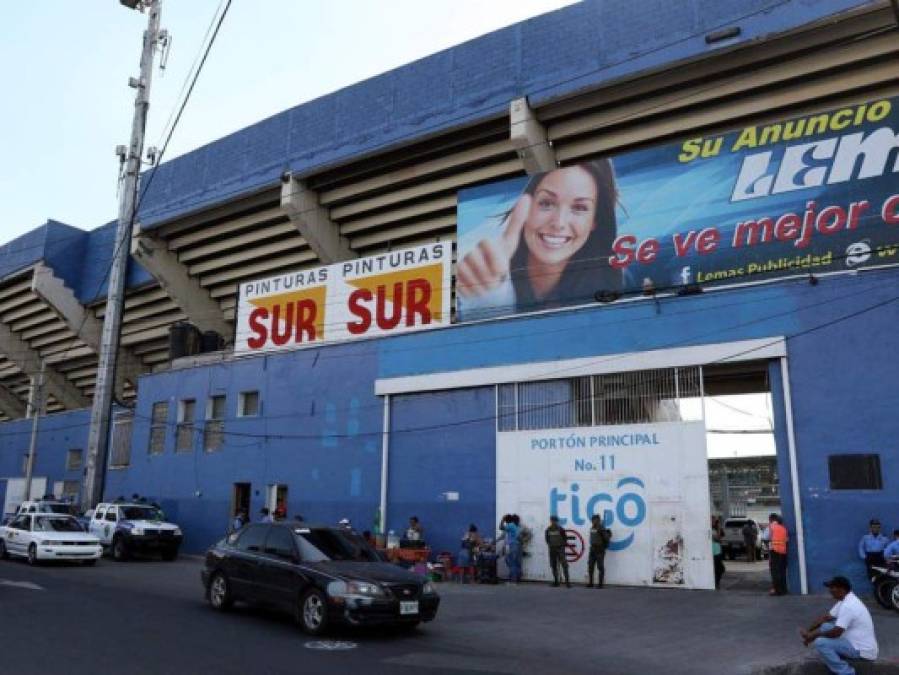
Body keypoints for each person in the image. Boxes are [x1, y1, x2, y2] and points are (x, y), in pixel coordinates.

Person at [456, 161, 620, 317]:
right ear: (527, 206)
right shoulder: (482, 256)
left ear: (595, 220)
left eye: (579, 208)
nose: (559, 223)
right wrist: (488, 293)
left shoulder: (611, 285)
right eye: (546, 203)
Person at [800, 575, 878, 674]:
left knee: (820, 643)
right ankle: (837, 655)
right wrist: (808, 631)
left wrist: (813, 635)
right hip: (854, 641)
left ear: (841, 589)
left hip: (861, 650)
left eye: (832, 588)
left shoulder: (849, 606)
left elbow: (836, 633)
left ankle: (846, 672)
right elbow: (825, 618)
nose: (830, 590)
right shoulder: (846, 599)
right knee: (825, 626)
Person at [545, 515, 570, 588]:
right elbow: (547, 539)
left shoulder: (561, 529)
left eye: (555, 521)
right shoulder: (548, 530)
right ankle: (556, 581)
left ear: (557, 521)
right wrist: (551, 545)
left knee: (564, 565)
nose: (553, 522)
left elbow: (565, 539)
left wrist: (561, 546)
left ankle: (567, 582)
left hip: (560, 549)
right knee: (553, 565)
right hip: (552, 549)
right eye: (552, 520)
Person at [587, 514, 611, 588]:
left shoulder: (601, 528)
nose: (593, 521)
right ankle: (591, 583)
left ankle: (600, 584)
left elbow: (606, 538)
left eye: (595, 520)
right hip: (592, 549)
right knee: (590, 567)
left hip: (599, 550)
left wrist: (604, 547)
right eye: (592, 520)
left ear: (598, 520)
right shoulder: (592, 528)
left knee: (600, 567)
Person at [768, 513, 789, 595]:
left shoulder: (771, 527)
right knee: (782, 571)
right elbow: (787, 540)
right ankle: (783, 590)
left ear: (771, 519)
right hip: (783, 552)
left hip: (774, 551)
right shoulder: (783, 528)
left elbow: (766, 537)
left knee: (775, 571)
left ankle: (777, 590)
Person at [497, 515, 522, 584]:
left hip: (511, 545)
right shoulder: (516, 526)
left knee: (511, 562)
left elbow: (501, 527)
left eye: (505, 521)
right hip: (515, 545)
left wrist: (502, 519)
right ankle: (516, 579)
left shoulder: (510, 525)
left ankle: (513, 580)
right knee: (515, 562)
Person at [712, 516, 726, 590]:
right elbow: (717, 538)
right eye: (713, 520)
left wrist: (719, 527)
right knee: (718, 569)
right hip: (712, 552)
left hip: (717, 551)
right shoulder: (710, 529)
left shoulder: (717, 529)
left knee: (720, 569)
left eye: (715, 520)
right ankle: (715, 583)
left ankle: (717, 582)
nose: (714, 522)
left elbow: (722, 535)